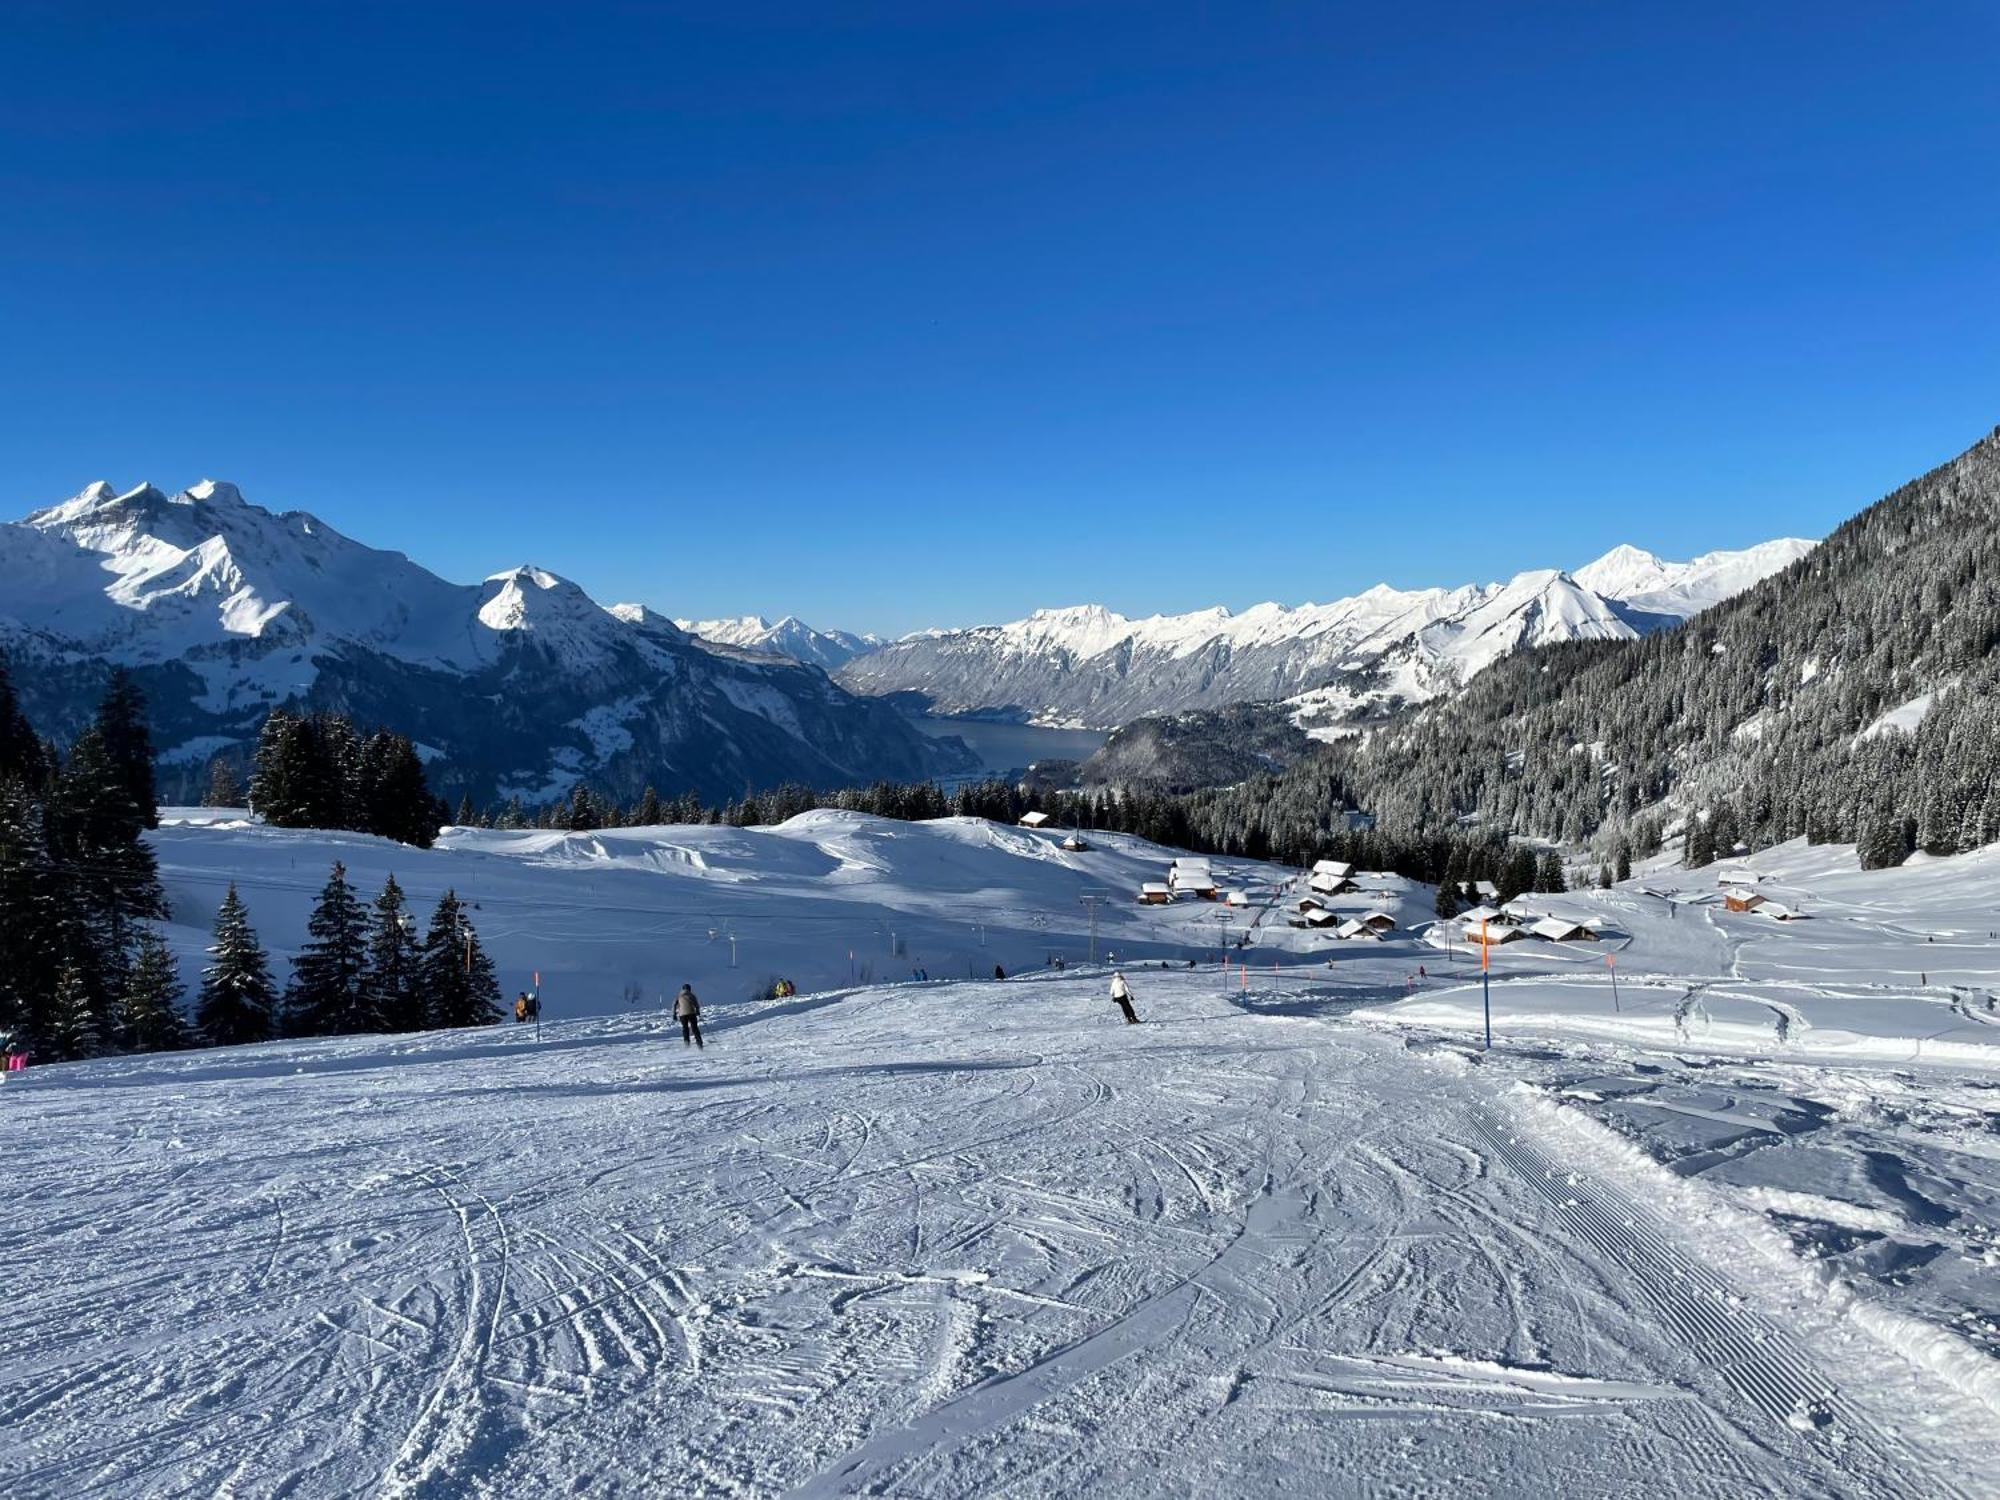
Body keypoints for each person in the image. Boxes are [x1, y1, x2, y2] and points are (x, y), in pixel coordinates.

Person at [674, 983, 703, 1048]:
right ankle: (699, 1044)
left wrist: (674, 1014)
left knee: (685, 1028)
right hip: (691, 1013)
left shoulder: (679, 996)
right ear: (689, 989)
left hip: (682, 1014)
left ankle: (687, 1044)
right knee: (695, 1028)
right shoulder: (692, 995)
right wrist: (698, 1011)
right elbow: (696, 1004)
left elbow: (674, 1005)